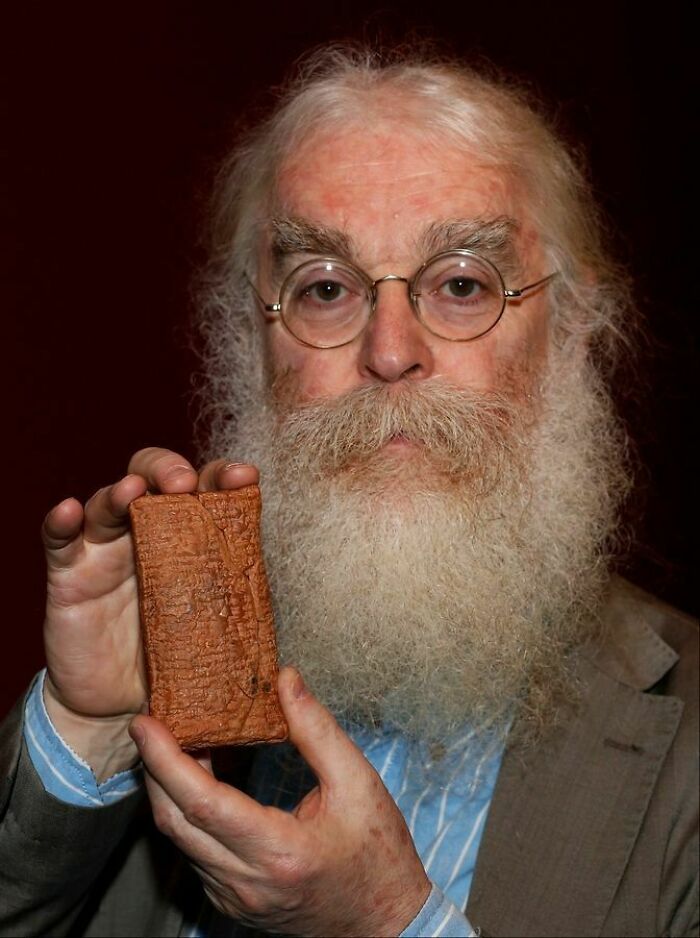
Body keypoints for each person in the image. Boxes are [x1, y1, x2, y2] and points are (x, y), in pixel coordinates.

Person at [0, 44, 697, 938]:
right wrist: (89, 726)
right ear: (250, 343)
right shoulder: (177, 668)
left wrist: (393, 923)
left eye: (462, 285)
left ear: (572, 333)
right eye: (326, 288)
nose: (390, 351)